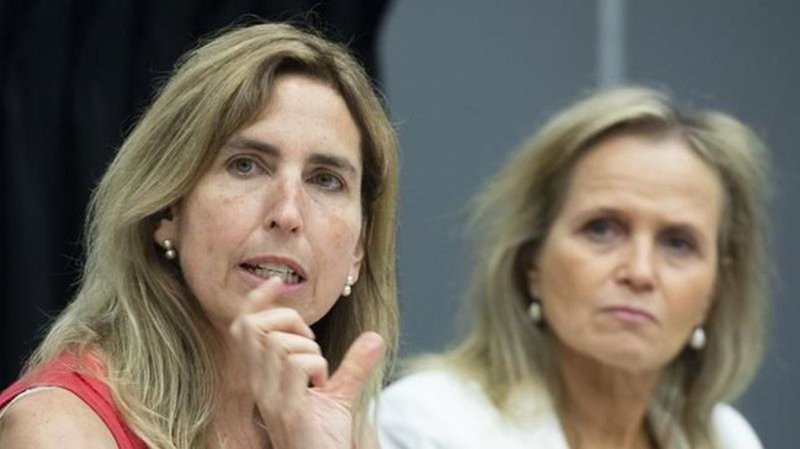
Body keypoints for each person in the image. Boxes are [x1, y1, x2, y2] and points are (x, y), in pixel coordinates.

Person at [0, 22, 399, 449]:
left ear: (358, 248)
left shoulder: (345, 434)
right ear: (167, 208)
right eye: (246, 166)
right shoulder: (57, 429)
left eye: (325, 180)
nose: (287, 214)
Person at [377, 87, 769, 449]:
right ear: (531, 261)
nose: (640, 272)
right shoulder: (424, 425)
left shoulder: (727, 438)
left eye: (678, 244)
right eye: (602, 229)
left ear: (714, 291)